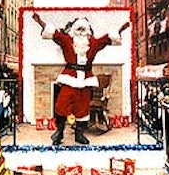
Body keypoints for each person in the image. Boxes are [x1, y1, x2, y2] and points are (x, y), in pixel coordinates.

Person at [32, 13, 129, 145]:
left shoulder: (93, 44)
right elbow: (54, 34)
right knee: (61, 105)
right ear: (73, 30)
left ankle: (79, 134)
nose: (81, 32)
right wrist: (40, 22)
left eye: (84, 29)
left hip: (86, 80)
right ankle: (59, 132)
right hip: (69, 79)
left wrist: (121, 29)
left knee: (82, 108)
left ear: (88, 31)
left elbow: (106, 39)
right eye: (79, 29)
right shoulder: (66, 41)